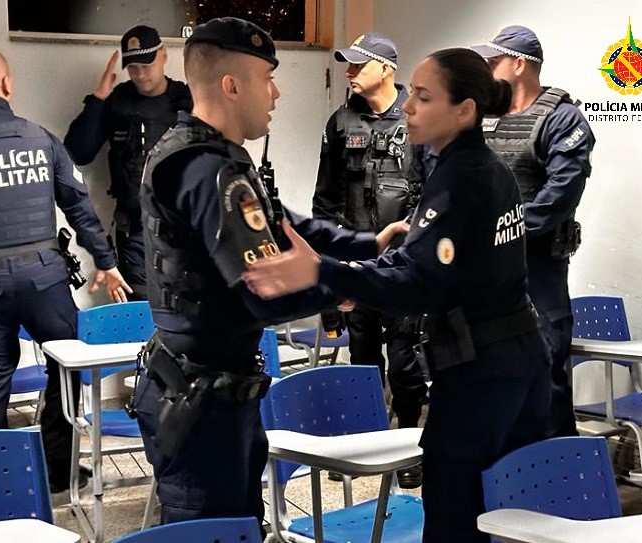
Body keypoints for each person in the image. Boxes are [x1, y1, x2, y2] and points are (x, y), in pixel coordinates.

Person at [244, 47, 551, 542]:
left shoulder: (459, 179)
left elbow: (417, 285)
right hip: (515, 361)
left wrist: (324, 272)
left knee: (457, 513)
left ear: (464, 110)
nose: (407, 105)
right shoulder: (487, 169)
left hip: (481, 371)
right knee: (511, 515)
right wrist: (358, 264)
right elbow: (423, 263)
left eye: (424, 97)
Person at [131, 17, 404, 531]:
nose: (276, 93)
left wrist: (369, 244)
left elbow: (283, 223)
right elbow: (265, 293)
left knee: (239, 523)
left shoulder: (208, 154)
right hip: (198, 401)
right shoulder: (206, 170)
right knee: (212, 531)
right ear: (231, 86)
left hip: (215, 387)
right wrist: (340, 288)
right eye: (267, 78)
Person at [0, 46, 130, 493]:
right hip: (46, 281)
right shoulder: (41, 139)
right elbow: (79, 206)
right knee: (66, 369)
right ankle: (58, 472)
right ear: (7, 83)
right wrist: (107, 261)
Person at [314, 32, 428, 489]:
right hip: (357, 265)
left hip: (404, 268)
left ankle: (409, 445)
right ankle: (365, 444)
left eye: (358, 65)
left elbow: (434, 194)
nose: (348, 72)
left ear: (387, 69)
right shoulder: (340, 123)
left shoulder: (418, 119)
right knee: (362, 359)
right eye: (348, 64)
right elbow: (324, 200)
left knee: (404, 360)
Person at [472, 26, 595, 438]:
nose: (486, 68)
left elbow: (560, 193)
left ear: (519, 64)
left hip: (535, 269)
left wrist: (499, 230)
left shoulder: (562, 118)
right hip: (483, 272)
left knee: (544, 376)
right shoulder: (483, 117)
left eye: (493, 61)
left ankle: (559, 470)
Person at [64, 25, 193, 300]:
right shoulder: (118, 102)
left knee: (188, 308)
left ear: (163, 55)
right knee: (142, 311)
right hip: (135, 231)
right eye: (133, 67)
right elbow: (78, 152)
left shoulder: (187, 101)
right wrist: (98, 99)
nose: (140, 74)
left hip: (185, 229)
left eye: (147, 64)